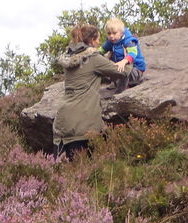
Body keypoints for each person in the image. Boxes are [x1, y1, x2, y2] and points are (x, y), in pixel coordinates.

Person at [53, 23, 129, 159]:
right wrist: (128, 59)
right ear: (92, 41)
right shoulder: (93, 58)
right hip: (83, 124)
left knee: (66, 174)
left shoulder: (70, 57)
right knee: (88, 171)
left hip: (63, 122)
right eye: (98, 39)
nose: (100, 42)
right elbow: (122, 72)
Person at [101, 17, 146, 93]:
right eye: (109, 33)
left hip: (135, 69)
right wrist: (93, 54)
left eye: (114, 33)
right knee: (107, 67)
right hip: (120, 67)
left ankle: (121, 91)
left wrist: (124, 61)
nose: (111, 36)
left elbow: (132, 53)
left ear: (121, 33)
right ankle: (114, 82)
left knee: (123, 71)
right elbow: (102, 49)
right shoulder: (111, 41)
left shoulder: (128, 40)